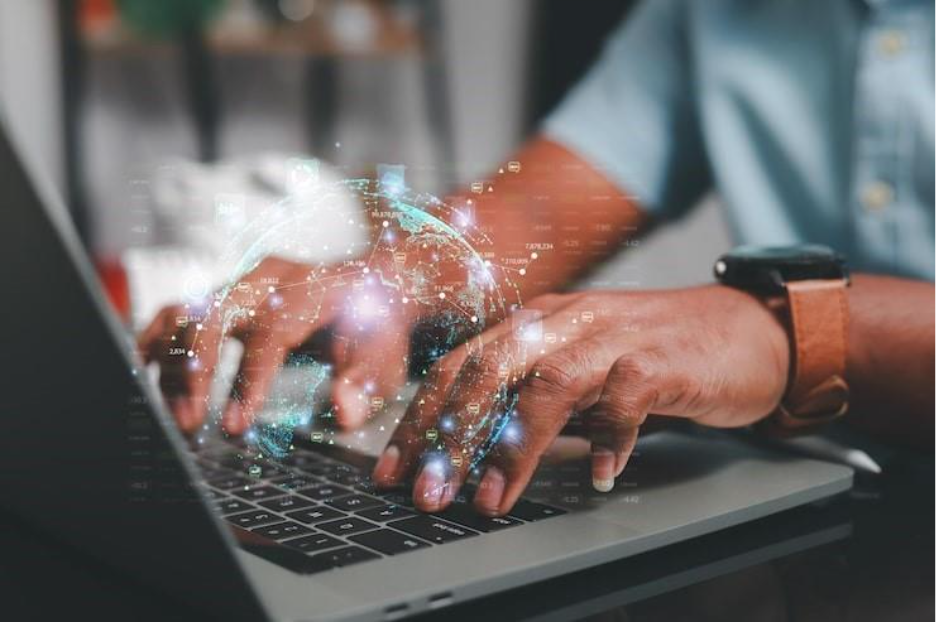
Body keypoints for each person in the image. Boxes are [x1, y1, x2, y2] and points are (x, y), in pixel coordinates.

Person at [139, 0, 936, 517]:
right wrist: (390, 283)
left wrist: (783, 333)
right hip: (826, 505)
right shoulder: (713, 14)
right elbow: (532, 212)